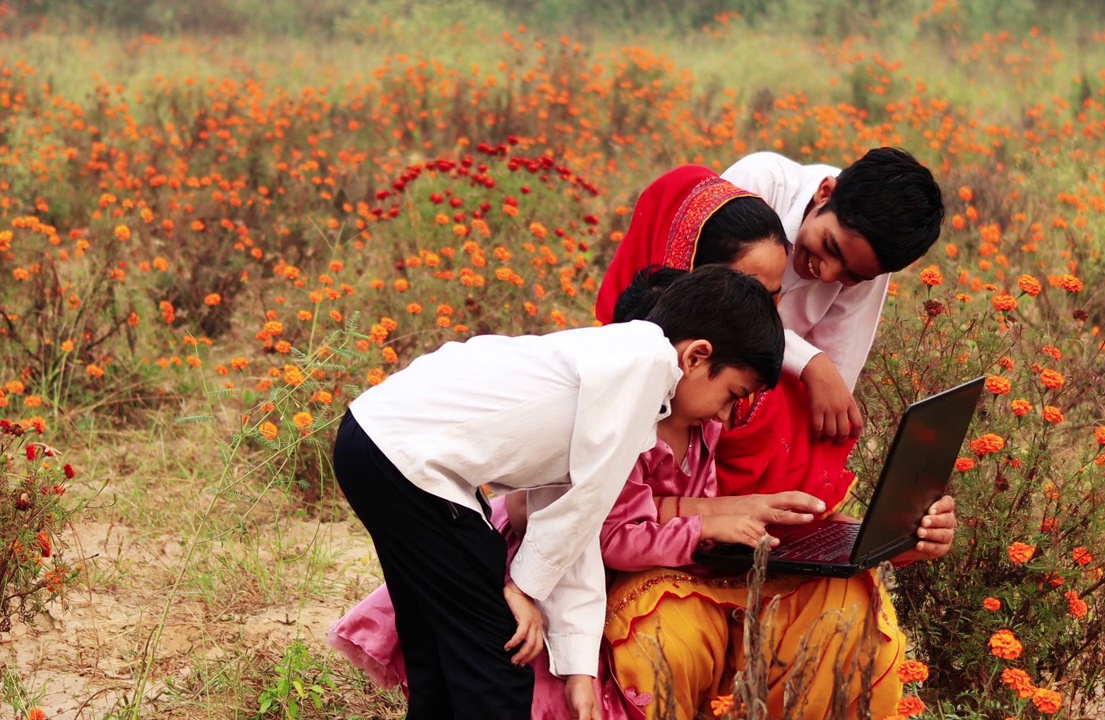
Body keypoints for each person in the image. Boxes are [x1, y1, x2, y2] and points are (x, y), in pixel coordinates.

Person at [332, 263, 785, 720]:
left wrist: (576, 665)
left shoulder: (616, 362)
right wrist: (522, 589)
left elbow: (570, 512)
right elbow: (587, 503)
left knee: (440, 651)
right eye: (731, 394)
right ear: (696, 357)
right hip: (407, 461)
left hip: (377, 442)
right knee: (498, 664)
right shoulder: (645, 365)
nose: (724, 416)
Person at [593, 154, 954, 719]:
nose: (826, 277)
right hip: (667, 561)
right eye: (829, 248)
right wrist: (806, 367)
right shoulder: (630, 404)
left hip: (755, 521)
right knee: (662, 639)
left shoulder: (753, 400)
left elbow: (823, 422)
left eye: (852, 276)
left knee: (847, 615)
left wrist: (901, 531)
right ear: (824, 192)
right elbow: (618, 522)